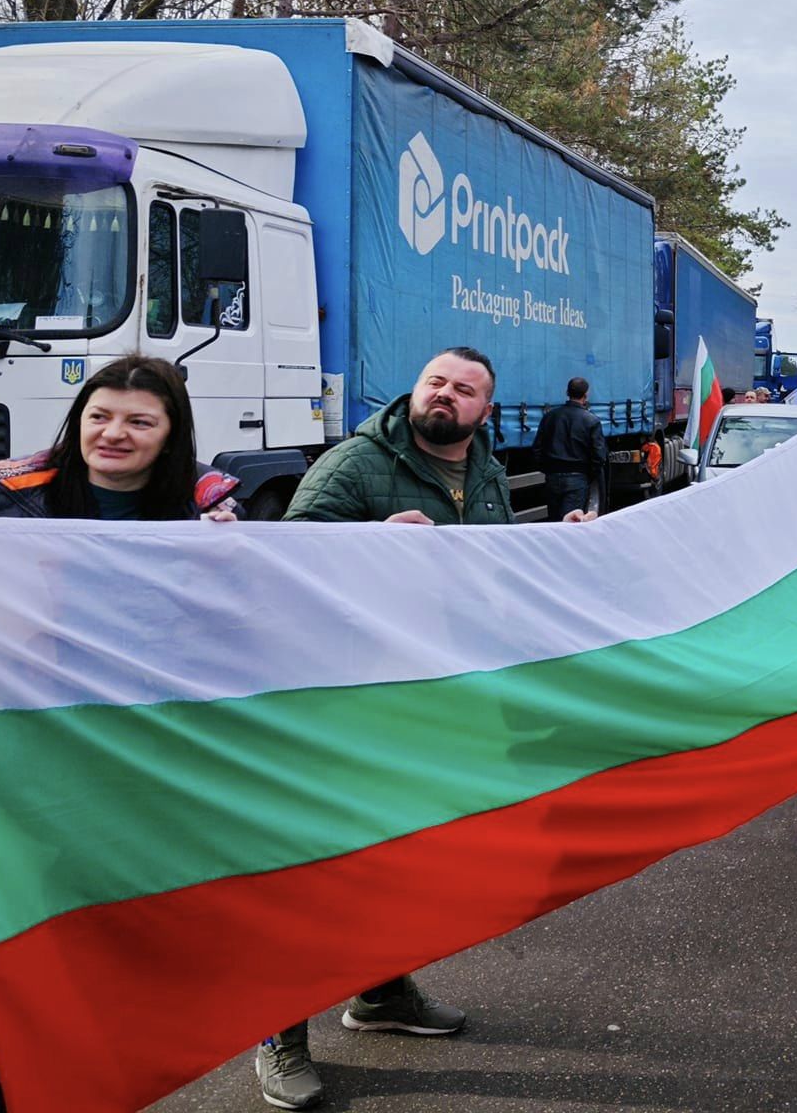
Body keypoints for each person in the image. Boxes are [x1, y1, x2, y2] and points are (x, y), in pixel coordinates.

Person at [261, 347, 592, 1110]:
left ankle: (380, 994)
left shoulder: (482, 471)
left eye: (464, 389)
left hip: (429, 703)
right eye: (436, 382)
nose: (445, 395)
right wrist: (372, 543)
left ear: (485, 409)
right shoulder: (354, 463)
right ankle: (279, 1033)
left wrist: (562, 546)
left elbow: (493, 569)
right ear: (415, 391)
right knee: (313, 873)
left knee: (395, 863)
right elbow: (285, 559)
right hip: (346, 702)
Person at [0, 354, 240, 1113]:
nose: (113, 433)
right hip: (5, 777)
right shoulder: (0, 502)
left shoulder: (209, 516)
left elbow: (262, 617)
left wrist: (392, 543)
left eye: (139, 421)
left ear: (170, 436)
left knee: (106, 978)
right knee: (1, 982)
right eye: (99, 416)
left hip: (128, 778)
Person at [532, 375, 609, 519]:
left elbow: (537, 448)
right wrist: (589, 474)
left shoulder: (550, 417)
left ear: (567, 393)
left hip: (553, 477)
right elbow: (599, 455)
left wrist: (547, 469)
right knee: (571, 522)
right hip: (578, 478)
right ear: (585, 395)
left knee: (554, 521)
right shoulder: (591, 420)